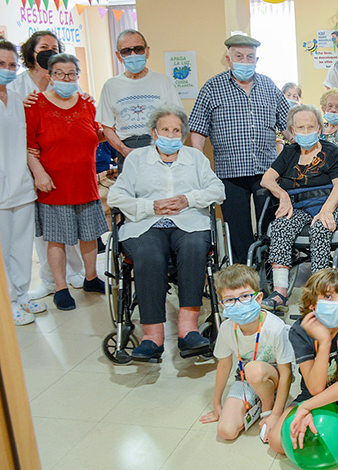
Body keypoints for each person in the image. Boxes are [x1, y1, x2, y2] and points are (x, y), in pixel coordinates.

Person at [107, 105, 226, 361]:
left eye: (176, 131)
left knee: (195, 248)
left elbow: (217, 190)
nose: (171, 135)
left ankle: (188, 329)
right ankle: (152, 336)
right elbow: (116, 195)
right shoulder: (137, 159)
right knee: (150, 255)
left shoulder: (195, 158)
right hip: (145, 223)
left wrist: (188, 199)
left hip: (190, 221)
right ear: (154, 132)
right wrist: (150, 206)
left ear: (182, 134)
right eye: (165, 130)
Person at [189, 34, 290, 265]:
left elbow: (287, 126)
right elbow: (197, 130)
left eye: (250, 57)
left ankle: (270, 267)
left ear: (257, 59)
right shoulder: (212, 88)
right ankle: (246, 272)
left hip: (267, 172)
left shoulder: (268, 85)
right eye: (239, 56)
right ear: (228, 59)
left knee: (271, 223)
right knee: (238, 228)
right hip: (230, 173)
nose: (245, 61)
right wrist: (197, 167)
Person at [25, 54, 107, 311]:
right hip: (53, 185)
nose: (66, 78)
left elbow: (96, 135)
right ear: (50, 76)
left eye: (71, 74)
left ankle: (91, 277)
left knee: (90, 235)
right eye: (59, 74)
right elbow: (28, 147)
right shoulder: (35, 104)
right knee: (56, 239)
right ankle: (61, 288)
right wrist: (39, 173)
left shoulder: (86, 104)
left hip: (85, 182)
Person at [270, 268, 338, 460]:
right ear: (312, 303)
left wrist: (306, 407)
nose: (336, 304)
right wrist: (325, 342)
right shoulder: (299, 330)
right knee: (277, 442)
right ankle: (330, 409)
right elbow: (315, 388)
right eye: (327, 296)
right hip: (314, 392)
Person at [12, 31, 85, 300]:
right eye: (43, 47)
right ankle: (50, 278)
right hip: (29, 164)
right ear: (31, 52)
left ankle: (77, 273)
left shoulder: (63, 81)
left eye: (54, 47)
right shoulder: (20, 86)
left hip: (64, 165)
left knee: (75, 225)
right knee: (46, 229)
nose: (49, 51)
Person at [259, 104, 338, 312]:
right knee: (281, 225)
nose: (306, 132)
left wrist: (326, 211)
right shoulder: (289, 152)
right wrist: (282, 194)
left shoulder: (330, 150)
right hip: (299, 205)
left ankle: (321, 292)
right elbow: (267, 179)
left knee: (320, 228)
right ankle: (280, 292)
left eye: (311, 127)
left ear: (319, 129)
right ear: (292, 130)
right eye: (301, 128)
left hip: (331, 202)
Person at [199, 264, 294, 443]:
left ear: (258, 299)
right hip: (244, 378)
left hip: (274, 376)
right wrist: (217, 403)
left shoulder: (275, 328)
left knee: (254, 370)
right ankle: (256, 400)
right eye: (229, 300)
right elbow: (224, 364)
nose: (237, 303)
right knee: (226, 431)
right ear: (222, 305)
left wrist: (275, 414)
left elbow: (287, 373)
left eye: (244, 297)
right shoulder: (227, 328)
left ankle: (267, 406)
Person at [0, 39, 46, 325]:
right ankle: (7, 302)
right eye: (1, 65)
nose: (7, 70)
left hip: (22, 185)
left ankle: (22, 296)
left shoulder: (16, 97)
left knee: (21, 248)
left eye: (11, 65)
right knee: (3, 250)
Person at [97, 29, 182, 171]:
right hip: (127, 150)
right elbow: (107, 127)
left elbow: (178, 119)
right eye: (126, 51)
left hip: (159, 149)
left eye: (138, 49)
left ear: (147, 51)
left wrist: (166, 149)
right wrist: (123, 150)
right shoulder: (111, 86)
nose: (133, 55)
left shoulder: (163, 81)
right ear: (119, 56)